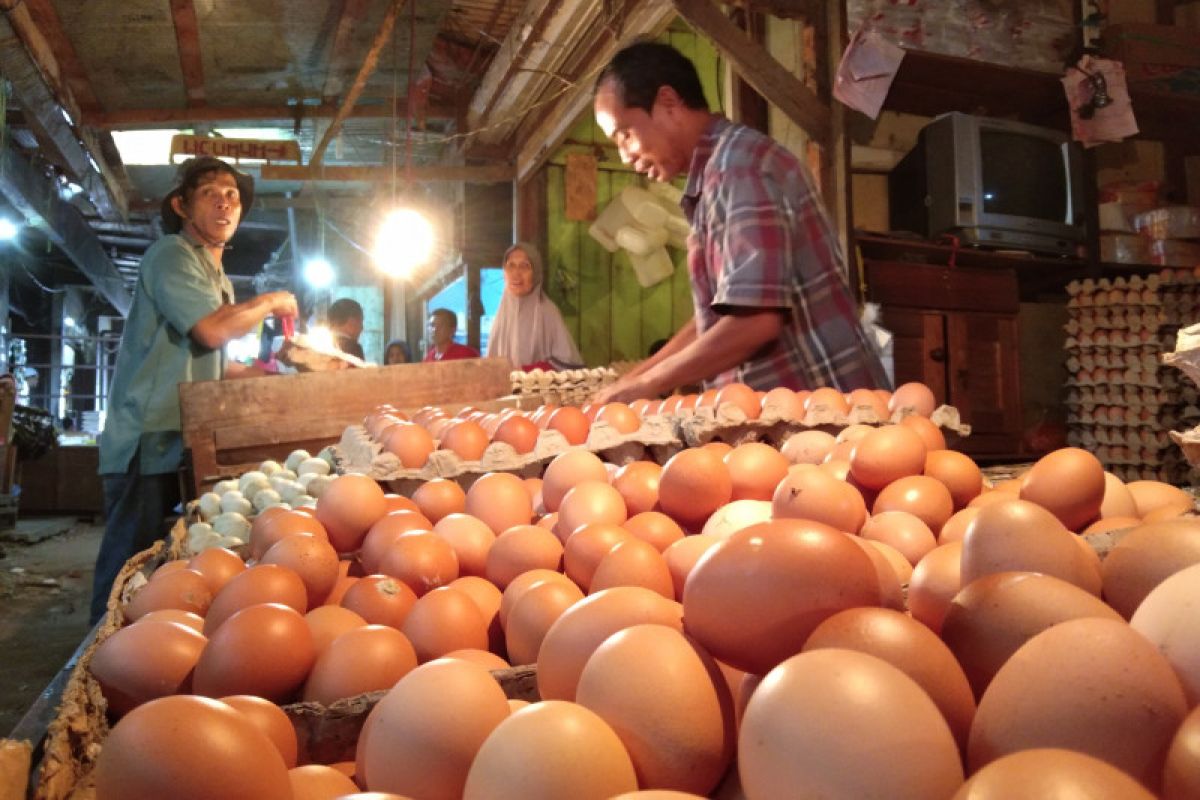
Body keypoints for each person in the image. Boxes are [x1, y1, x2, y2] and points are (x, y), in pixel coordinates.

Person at [591, 42, 889, 403]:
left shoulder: (738, 168)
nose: (625, 155)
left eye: (625, 133)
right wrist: (638, 376)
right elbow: (725, 314)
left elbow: (755, 321)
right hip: (800, 416)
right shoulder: (718, 171)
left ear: (668, 102)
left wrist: (646, 385)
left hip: (829, 419)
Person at [91, 156, 298, 624]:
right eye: (211, 194)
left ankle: (138, 653)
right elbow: (210, 332)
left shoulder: (216, 278)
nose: (225, 203)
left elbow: (217, 366)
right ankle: (93, 668)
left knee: (160, 568)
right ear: (181, 206)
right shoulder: (171, 255)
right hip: (148, 436)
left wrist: (284, 380)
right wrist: (271, 301)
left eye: (233, 196)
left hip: (180, 438)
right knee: (128, 566)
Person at [486, 242, 582, 371]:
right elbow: (491, 363)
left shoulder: (547, 311)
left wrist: (524, 372)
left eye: (525, 266)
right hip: (504, 390)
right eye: (511, 266)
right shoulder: (503, 312)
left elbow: (567, 362)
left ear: (536, 273)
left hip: (538, 389)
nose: (516, 274)